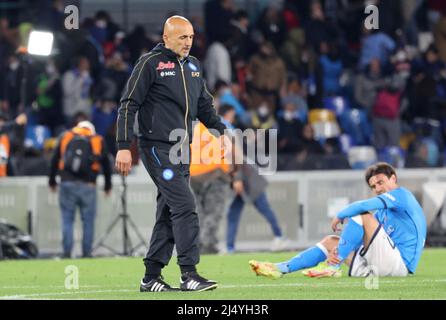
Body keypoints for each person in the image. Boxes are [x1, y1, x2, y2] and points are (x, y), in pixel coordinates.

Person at [115, 16, 230, 292]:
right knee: (185, 205)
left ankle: (150, 277)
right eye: (182, 37)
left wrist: (221, 131)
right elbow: (128, 105)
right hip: (156, 148)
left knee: (168, 211)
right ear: (166, 37)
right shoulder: (149, 64)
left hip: (182, 150)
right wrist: (122, 146)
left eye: (190, 37)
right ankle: (189, 274)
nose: (188, 42)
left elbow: (204, 104)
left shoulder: (193, 66)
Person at [249, 162, 426, 278]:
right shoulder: (382, 213)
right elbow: (369, 244)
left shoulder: (402, 196)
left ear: (393, 178)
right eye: (373, 186)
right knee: (330, 242)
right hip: (378, 268)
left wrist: (341, 214)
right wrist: (341, 249)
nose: (378, 188)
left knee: (361, 213)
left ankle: (333, 267)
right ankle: (280, 269)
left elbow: (363, 207)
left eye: (381, 182)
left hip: (399, 266)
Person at [48, 121, 112, 258]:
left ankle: (66, 252)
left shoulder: (66, 136)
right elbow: (106, 164)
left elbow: (54, 159)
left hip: (67, 184)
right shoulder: (97, 139)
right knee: (88, 221)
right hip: (88, 185)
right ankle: (86, 253)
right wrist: (108, 186)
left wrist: (52, 181)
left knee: (67, 220)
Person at [0, 112, 27, 177]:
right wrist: (16, 122)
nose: (1, 123)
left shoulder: (6, 138)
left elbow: (4, 158)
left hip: (4, 172)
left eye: (1, 121)